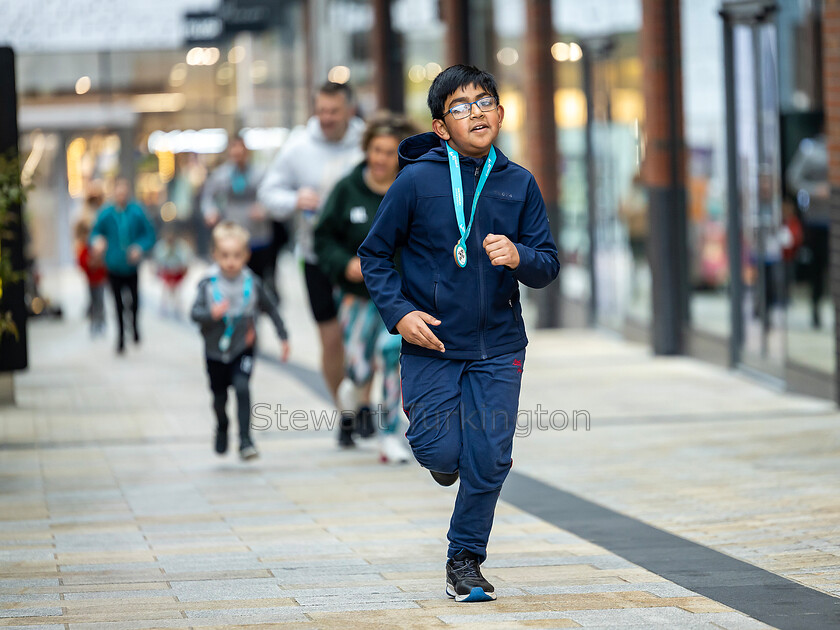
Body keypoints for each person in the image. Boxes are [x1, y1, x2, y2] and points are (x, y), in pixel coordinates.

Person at [359, 65, 560, 603]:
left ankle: (464, 558)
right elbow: (374, 254)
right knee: (441, 451)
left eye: (485, 101)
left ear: (501, 112)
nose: (476, 111)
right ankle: (446, 461)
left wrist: (521, 256)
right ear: (441, 127)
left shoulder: (519, 183)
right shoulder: (417, 181)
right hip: (432, 343)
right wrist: (400, 314)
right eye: (461, 105)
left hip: (499, 347)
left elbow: (547, 264)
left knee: (491, 457)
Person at [314, 112, 416, 458]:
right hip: (356, 296)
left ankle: (390, 434)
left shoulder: (411, 188)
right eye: (376, 150)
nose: (381, 159)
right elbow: (323, 237)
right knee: (358, 365)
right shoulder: (347, 189)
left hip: (399, 296)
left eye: (389, 152)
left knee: (390, 356)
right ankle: (353, 390)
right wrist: (344, 263)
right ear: (366, 150)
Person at [258, 81, 364, 405]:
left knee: (364, 341)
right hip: (316, 257)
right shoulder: (298, 146)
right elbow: (268, 193)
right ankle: (344, 411)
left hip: (362, 257)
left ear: (350, 110)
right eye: (321, 111)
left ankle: (363, 404)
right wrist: (294, 199)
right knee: (332, 341)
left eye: (333, 111)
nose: (326, 118)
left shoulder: (367, 142)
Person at [191, 221, 290, 461]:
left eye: (237, 255)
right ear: (215, 255)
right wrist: (211, 314)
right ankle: (222, 426)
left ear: (246, 255)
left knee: (243, 387)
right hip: (215, 351)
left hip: (243, 347)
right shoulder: (207, 285)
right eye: (224, 255)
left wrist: (283, 335)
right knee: (219, 397)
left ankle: (246, 440)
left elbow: (270, 308)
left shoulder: (252, 283)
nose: (231, 261)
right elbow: (194, 314)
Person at [202, 136, 276, 298]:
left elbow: (272, 196)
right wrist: (210, 212)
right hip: (231, 233)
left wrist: (264, 208)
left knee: (258, 281)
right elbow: (208, 197)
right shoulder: (221, 175)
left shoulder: (260, 173)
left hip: (257, 236)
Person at [90, 178, 156, 354]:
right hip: (113, 265)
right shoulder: (106, 213)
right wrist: (98, 241)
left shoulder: (137, 211)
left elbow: (149, 234)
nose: (121, 196)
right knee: (117, 303)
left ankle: (134, 326)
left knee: (134, 300)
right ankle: (120, 337)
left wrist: (140, 247)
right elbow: (95, 232)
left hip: (131, 266)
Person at [75, 222, 107, 336]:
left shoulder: (97, 247)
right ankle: (94, 324)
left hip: (100, 280)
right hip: (91, 281)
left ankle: (101, 323)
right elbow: (82, 263)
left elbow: (104, 264)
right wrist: (89, 264)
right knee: (93, 303)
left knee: (100, 303)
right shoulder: (85, 249)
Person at [153, 229, 192, 318]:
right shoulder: (162, 245)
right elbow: (158, 258)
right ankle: (164, 308)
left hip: (177, 271)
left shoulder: (181, 246)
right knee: (166, 289)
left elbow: (185, 258)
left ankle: (177, 308)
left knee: (177, 291)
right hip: (167, 271)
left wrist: (184, 267)